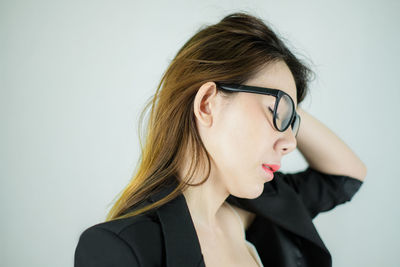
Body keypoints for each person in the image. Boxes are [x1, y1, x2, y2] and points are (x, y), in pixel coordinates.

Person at [74, 12, 366, 267]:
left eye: (293, 123)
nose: (291, 141)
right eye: (277, 113)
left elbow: (346, 177)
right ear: (207, 104)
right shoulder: (120, 249)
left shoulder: (257, 211)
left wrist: (286, 100)